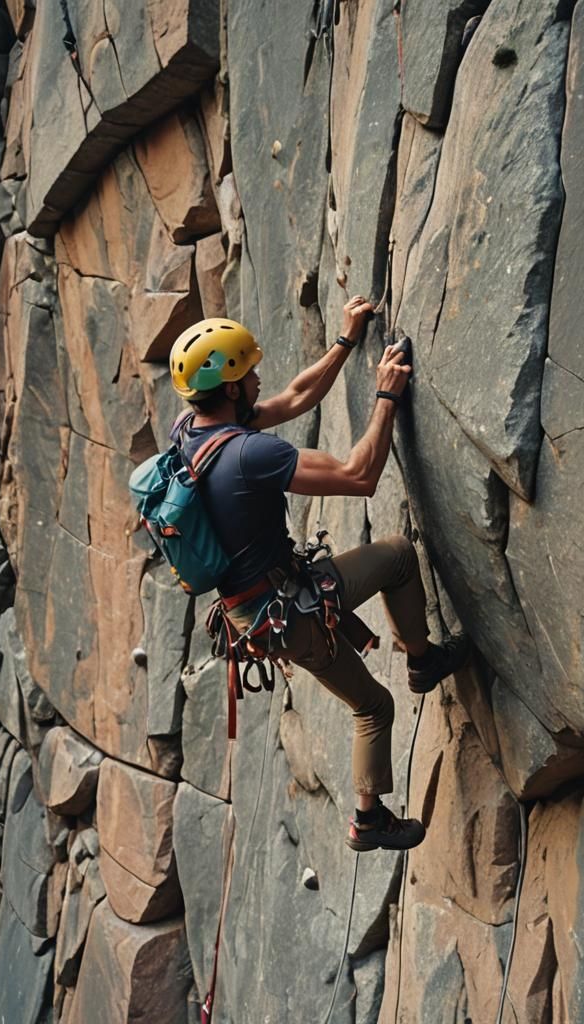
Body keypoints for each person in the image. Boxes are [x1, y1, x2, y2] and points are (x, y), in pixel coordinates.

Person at [168, 298, 470, 851]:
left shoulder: (193, 431)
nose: (259, 378)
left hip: (260, 614)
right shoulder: (247, 455)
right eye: (249, 373)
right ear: (230, 388)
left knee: (372, 703)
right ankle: (421, 666)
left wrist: (345, 341)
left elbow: (294, 398)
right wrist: (387, 396)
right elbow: (359, 476)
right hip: (290, 612)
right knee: (397, 560)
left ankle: (371, 813)